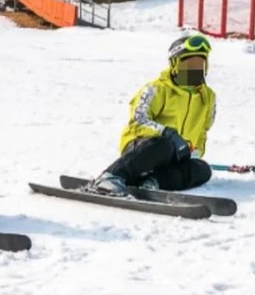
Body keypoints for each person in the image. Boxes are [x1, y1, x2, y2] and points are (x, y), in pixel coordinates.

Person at [88, 33, 217, 195]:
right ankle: (111, 177)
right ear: (175, 64)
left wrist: (192, 151)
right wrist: (168, 134)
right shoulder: (157, 89)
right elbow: (138, 119)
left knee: (203, 169)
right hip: (144, 148)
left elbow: (203, 131)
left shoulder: (208, 97)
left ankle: (152, 182)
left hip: (176, 156)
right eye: (190, 64)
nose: (195, 69)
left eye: (200, 63)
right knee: (163, 145)